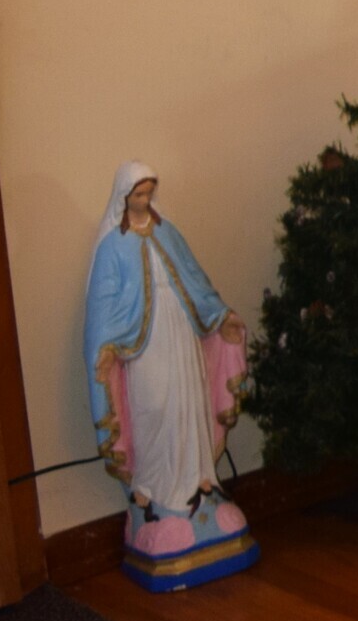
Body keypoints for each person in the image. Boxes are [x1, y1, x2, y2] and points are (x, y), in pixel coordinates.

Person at [82, 163, 260, 590]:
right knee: (156, 408)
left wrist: (221, 316)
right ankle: (156, 493)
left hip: (180, 333)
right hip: (144, 347)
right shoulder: (112, 247)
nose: (144, 201)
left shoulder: (168, 233)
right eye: (138, 195)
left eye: (149, 193)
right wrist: (104, 348)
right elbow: (102, 309)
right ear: (124, 198)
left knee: (188, 403)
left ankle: (200, 483)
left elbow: (196, 282)